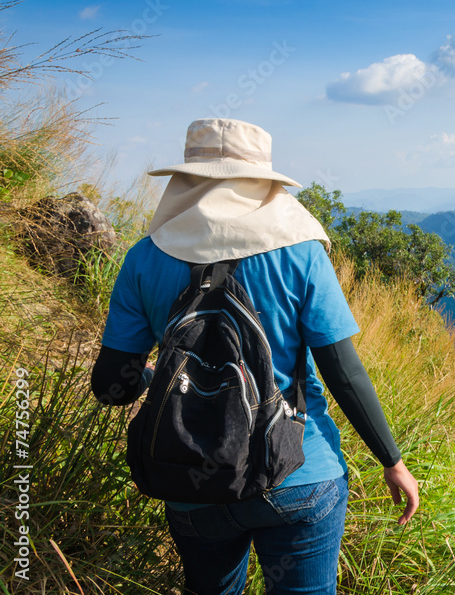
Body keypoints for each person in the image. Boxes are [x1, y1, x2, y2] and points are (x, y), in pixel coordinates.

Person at [90, 118, 418, 594]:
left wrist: (153, 375)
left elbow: (110, 388)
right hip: (301, 473)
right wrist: (392, 461)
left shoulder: (144, 258)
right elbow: (342, 372)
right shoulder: (300, 253)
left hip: (193, 481)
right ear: (263, 183)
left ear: (186, 179)